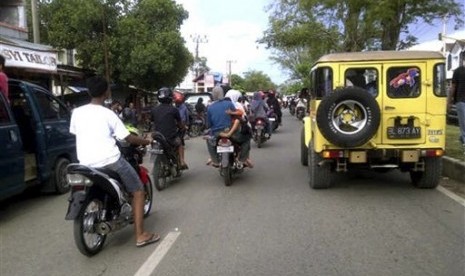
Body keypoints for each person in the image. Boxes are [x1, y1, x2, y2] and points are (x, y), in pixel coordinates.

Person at [69, 76, 160, 247]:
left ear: (89, 92)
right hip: (110, 161)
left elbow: (78, 133)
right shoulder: (108, 113)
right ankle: (140, 235)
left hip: (86, 164)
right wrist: (146, 141)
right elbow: (128, 138)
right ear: (106, 93)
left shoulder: (77, 113)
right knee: (139, 191)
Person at [151, 87, 188, 169]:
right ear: (170, 97)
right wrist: (183, 127)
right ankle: (182, 161)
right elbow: (180, 124)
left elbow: (153, 123)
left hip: (157, 137)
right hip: (170, 138)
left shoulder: (154, 110)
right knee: (180, 143)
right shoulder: (174, 110)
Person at [205, 85, 238, 167]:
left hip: (217, 133)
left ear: (213, 95)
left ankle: (215, 161)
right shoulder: (229, 103)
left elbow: (208, 124)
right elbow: (235, 116)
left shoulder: (210, 107)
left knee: (209, 141)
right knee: (238, 142)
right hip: (230, 130)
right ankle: (240, 157)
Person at [224, 89, 253, 167]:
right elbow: (243, 115)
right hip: (235, 132)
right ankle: (244, 159)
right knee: (246, 139)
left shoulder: (219, 105)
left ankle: (212, 158)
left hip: (221, 130)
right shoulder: (237, 104)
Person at [450, 60, 465, 153]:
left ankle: (462, 138)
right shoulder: (458, 71)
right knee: (463, 123)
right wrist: (449, 101)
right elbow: (453, 87)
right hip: (460, 100)